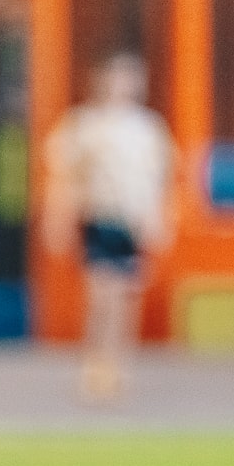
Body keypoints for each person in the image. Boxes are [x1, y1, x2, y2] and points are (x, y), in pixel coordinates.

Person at [43, 51, 174, 402]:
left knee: (126, 298)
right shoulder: (85, 125)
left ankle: (119, 365)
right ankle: (94, 363)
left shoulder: (148, 128)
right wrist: (59, 218)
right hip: (101, 216)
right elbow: (67, 177)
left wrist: (158, 221)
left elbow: (158, 180)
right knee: (101, 296)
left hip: (131, 221)